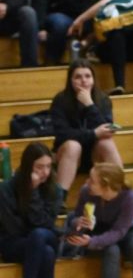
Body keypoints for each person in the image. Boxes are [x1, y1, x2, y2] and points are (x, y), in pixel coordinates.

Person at [0, 142, 63, 278]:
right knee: (46, 252)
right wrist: (30, 191)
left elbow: (45, 224)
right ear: (28, 166)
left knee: (40, 235)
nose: (44, 172)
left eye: (48, 166)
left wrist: (34, 192)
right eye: (39, 167)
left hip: (44, 235)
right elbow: (12, 229)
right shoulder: (6, 189)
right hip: (14, 243)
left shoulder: (54, 190)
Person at [50, 59, 122, 192]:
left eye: (88, 76)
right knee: (73, 145)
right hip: (68, 154)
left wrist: (90, 105)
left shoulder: (103, 99)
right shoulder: (60, 100)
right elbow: (62, 134)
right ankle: (59, 198)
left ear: (93, 79)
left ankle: (122, 191)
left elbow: (108, 129)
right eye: (78, 77)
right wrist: (93, 134)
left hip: (94, 154)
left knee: (107, 142)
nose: (84, 80)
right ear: (70, 81)